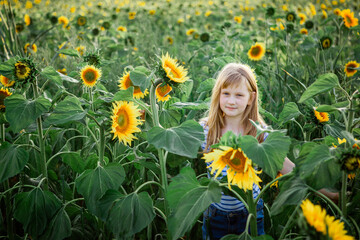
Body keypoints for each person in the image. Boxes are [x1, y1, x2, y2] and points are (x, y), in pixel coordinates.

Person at [199, 63, 295, 240]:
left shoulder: (258, 132)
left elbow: (284, 165)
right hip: (216, 214)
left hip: (250, 212)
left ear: (250, 98)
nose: (231, 101)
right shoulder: (206, 129)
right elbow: (174, 141)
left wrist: (321, 187)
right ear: (218, 94)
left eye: (239, 95)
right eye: (226, 93)